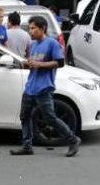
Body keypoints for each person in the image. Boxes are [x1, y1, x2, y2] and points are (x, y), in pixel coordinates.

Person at [10, 16, 81, 157]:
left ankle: (73, 140)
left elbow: (59, 63)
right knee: (25, 117)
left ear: (43, 28)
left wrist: (40, 65)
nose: (30, 31)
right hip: (30, 87)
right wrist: (27, 64)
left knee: (50, 118)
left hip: (44, 88)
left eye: (33, 28)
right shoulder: (33, 44)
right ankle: (27, 146)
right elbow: (33, 64)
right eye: (29, 28)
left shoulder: (52, 44)